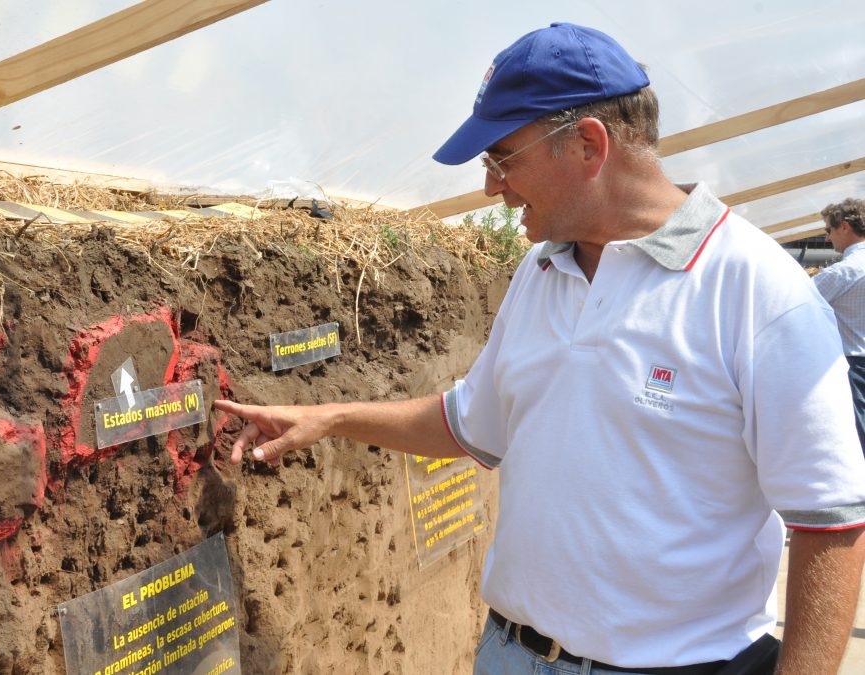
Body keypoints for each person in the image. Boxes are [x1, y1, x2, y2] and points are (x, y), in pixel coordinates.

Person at [213, 23, 865, 675]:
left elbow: (830, 524)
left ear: (587, 144)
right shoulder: (541, 271)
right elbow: (471, 422)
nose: (492, 186)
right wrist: (331, 418)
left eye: (502, 157)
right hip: (511, 655)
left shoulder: (755, 290)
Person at [814, 198, 865, 456]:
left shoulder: (844, 272)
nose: (827, 239)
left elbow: (790, 303)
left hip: (855, 366)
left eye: (828, 230)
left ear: (844, 226)